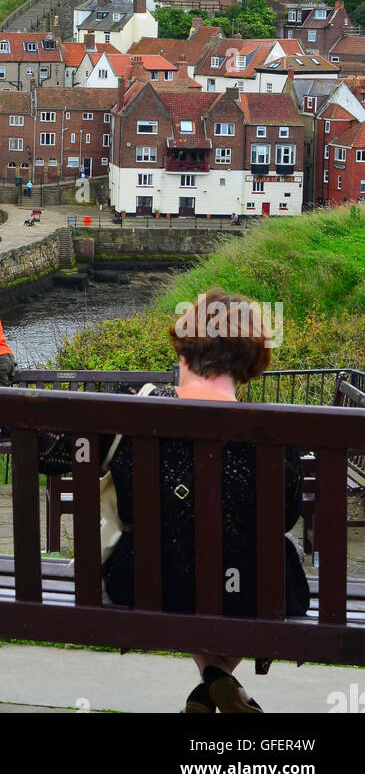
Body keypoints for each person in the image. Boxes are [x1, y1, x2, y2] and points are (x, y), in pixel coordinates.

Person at [101, 287, 309, 714]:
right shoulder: (275, 432)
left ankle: (211, 686)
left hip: (145, 584)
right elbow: (286, 517)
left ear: (183, 352)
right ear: (250, 363)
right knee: (231, 580)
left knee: (184, 571)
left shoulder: (134, 414)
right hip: (252, 592)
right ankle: (218, 682)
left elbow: (57, 457)